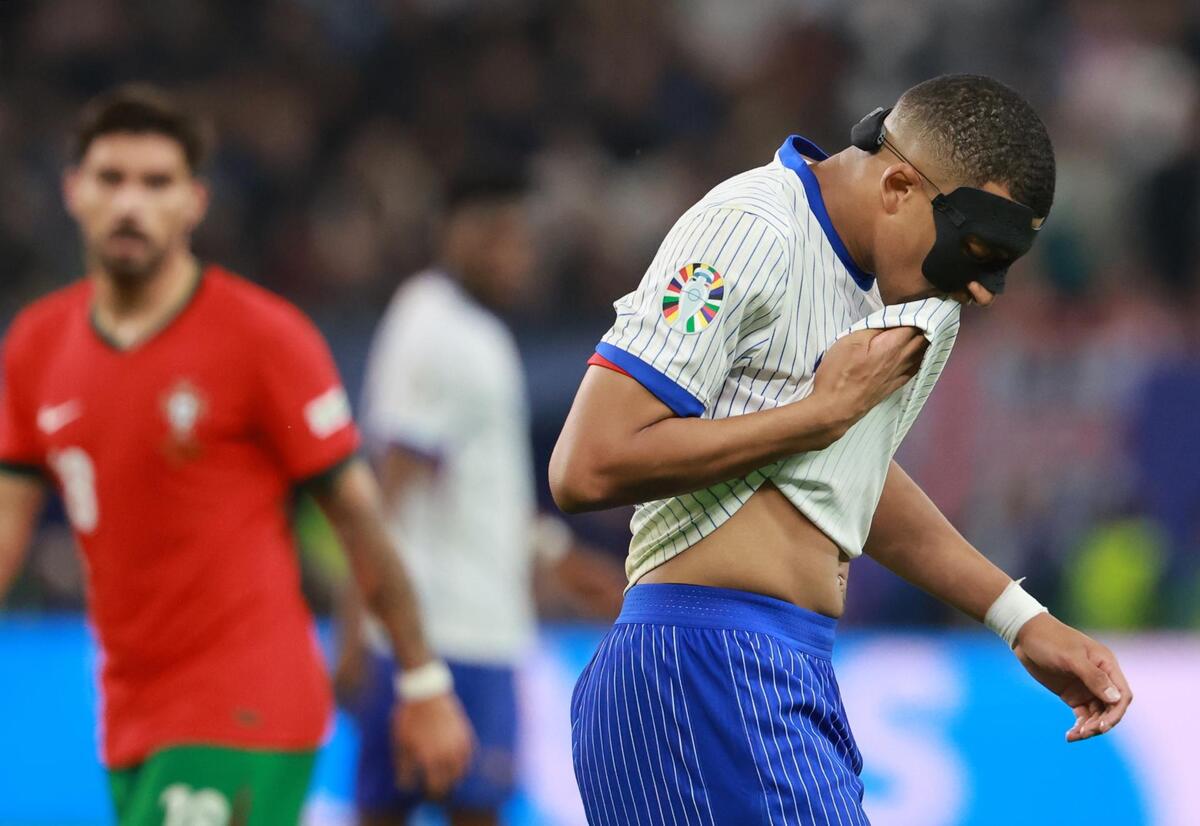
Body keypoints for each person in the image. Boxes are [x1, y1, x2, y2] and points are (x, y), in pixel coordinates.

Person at [550, 74, 1134, 824]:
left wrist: (1020, 618)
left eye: (1001, 266)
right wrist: (819, 414)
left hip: (790, 669)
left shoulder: (923, 302)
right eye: (975, 251)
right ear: (897, 185)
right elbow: (586, 463)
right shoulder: (749, 229)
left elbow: (846, 475)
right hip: (699, 668)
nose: (982, 288)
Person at [0, 84, 473, 824]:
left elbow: (358, 515)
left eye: (156, 183)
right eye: (111, 179)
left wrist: (422, 680)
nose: (131, 203)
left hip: (243, 703)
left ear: (194, 201)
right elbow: (8, 521)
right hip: (128, 712)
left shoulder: (261, 338)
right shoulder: (34, 345)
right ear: (73, 192)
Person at [334, 168, 626, 826]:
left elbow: (482, 495)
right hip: (443, 638)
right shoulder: (436, 328)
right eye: (494, 235)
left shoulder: (473, 333)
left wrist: (563, 561)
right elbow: (387, 489)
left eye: (520, 240)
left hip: (469, 630)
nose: (511, 256)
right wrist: (353, 627)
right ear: (452, 233)